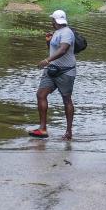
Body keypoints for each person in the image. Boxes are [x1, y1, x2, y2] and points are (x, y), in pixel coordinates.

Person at [29, 9, 76, 140]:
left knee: (66, 100)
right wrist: (48, 42)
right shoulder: (57, 32)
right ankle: (42, 129)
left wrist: (46, 60)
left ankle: (68, 132)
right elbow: (54, 50)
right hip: (51, 70)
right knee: (41, 95)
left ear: (55, 20)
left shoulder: (67, 33)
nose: (51, 22)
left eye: (52, 20)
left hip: (66, 72)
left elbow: (63, 50)